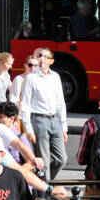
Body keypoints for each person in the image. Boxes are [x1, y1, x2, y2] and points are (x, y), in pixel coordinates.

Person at [22, 48, 69, 180]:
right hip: (38, 119)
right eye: (40, 56)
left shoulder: (55, 77)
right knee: (44, 160)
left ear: (51, 61)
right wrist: (29, 129)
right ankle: (44, 195)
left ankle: (46, 184)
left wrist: (63, 127)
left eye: (45, 57)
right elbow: (25, 105)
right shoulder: (31, 78)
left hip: (54, 119)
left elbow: (60, 102)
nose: (42, 59)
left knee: (61, 159)